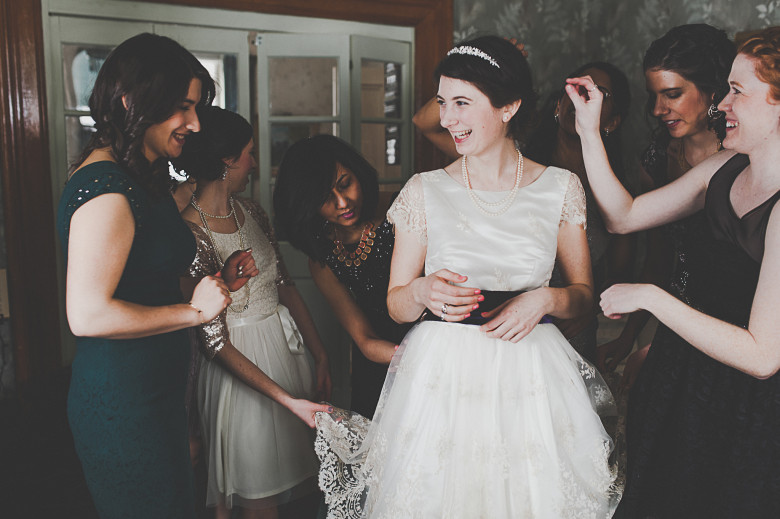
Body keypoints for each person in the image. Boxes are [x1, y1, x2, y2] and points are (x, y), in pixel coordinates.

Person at [317, 36, 620, 518]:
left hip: (531, 377)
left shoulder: (560, 188)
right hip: (442, 379)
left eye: (462, 103)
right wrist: (420, 289)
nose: (447, 119)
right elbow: (397, 304)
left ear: (509, 106)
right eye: (442, 103)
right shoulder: (425, 190)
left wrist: (544, 300)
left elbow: (584, 297)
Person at [566, 25, 780, 517]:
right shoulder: (722, 170)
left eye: (737, 91)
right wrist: (588, 131)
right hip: (683, 376)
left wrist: (652, 298)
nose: (722, 103)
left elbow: (764, 355)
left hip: (750, 404)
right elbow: (623, 216)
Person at [55, 33, 237, 518]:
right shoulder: (107, 190)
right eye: (182, 107)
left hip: (154, 392)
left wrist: (213, 285)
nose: (195, 124)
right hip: (124, 404)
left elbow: (144, 281)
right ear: (131, 100)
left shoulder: (140, 176)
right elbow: (88, 314)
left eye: (196, 108)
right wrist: (195, 311)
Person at [413, 60, 635, 362]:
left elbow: (620, 273)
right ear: (558, 103)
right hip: (487, 333)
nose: (580, 98)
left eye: (596, 93)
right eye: (576, 89)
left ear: (614, 120)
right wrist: (479, 69)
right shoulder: (504, 159)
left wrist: (582, 306)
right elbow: (426, 123)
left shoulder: (616, 191)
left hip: (565, 329)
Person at [173, 106, 333, 518]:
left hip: (283, 351)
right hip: (236, 365)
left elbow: (285, 286)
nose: (254, 162)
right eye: (248, 152)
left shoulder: (253, 212)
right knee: (257, 490)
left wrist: (318, 352)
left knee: (296, 484)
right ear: (227, 159)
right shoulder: (188, 231)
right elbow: (206, 330)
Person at [597, 25, 736, 380]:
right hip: (677, 314)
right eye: (653, 95)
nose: (658, 109)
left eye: (672, 94)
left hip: (737, 320)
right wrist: (629, 338)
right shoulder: (658, 159)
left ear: (713, 90)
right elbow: (658, 262)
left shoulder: (743, 157)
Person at [273, 134, 411, 418]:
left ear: (358, 174)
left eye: (345, 184)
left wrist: (434, 351)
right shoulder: (322, 259)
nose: (343, 202)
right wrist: (411, 358)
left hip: (430, 336)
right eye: (325, 198)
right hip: (380, 361)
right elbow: (364, 339)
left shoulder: (402, 211)